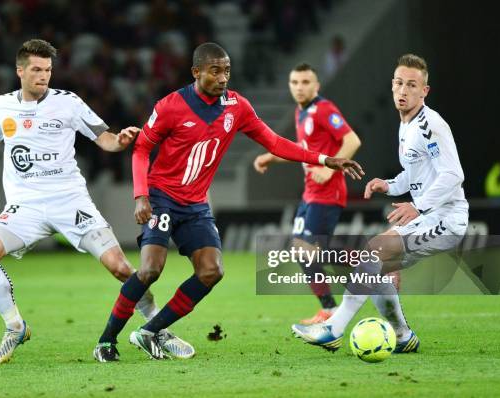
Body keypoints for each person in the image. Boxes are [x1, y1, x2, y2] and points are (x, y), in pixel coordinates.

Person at [0, 39, 193, 364]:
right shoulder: (2, 106)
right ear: (20, 70)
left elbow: (105, 139)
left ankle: (157, 329)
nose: (44, 76)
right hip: (25, 206)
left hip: (71, 203)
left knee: (122, 268)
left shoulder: (69, 103)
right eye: (37, 70)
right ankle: (15, 327)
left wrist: (120, 141)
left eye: (48, 70)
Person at [95, 42, 364, 361]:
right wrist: (141, 196)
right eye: (215, 71)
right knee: (151, 269)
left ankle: (151, 331)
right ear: (196, 72)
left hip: (195, 205)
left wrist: (324, 159)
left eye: (227, 71)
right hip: (162, 197)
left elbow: (274, 142)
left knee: (212, 271)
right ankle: (106, 341)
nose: (223, 78)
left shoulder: (237, 107)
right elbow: (141, 149)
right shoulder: (171, 106)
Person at [291, 54, 469, 353]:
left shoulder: (430, 125)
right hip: (427, 216)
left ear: (424, 91)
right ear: (392, 85)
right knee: (372, 265)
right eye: (399, 83)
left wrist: (418, 205)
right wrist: (389, 185)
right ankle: (401, 336)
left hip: (446, 220)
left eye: (412, 85)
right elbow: (417, 174)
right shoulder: (406, 125)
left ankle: (333, 329)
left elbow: (453, 174)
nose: (403, 90)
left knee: (372, 252)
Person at [254, 63, 361, 325]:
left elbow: (352, 141)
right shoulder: (300, 113)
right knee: (303, 252)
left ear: (317, 85)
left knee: (309, 251)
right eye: (294, 82)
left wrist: (331, 171)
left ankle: (371, 264)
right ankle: (329, 308)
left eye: (305, 82)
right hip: (310, 194)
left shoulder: (324, 109)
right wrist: (270, 156)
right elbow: (304, 149)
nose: (299, 87)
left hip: (327, 192)